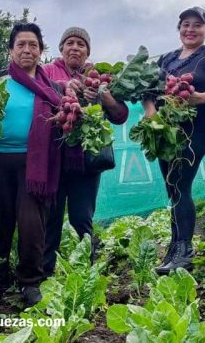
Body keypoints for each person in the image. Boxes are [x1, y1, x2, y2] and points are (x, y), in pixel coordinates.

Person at [0, 22, 70, 310]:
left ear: (41, 51)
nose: (27, 50)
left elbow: (66, 122)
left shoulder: (51, 87)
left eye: (33, 45)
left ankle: (30, 282)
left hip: (35, 167)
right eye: (21, 44)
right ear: (10, 49)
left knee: (32, 225)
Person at [142, 7, 205, 273]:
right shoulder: (167, 59)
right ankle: (174, 249)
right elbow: (147, 90)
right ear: (179, 28)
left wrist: (201, 98)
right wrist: (151, 114)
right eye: (186, 24)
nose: (191, 29)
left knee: (181, 183)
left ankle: (184, 251)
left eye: (197, 25)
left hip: (197, 129)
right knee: (172, 188)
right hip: (165, 131)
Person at [41, 27, 129, 277]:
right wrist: (62, 87)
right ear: (61, 48)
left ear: (88, 51)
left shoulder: (99, 75)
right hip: (54, 159)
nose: (75, 48)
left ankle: (85, 274)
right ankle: (44, 274)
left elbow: (121, 116)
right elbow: (37, 93)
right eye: (70, 42)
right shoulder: (47, 71)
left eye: (81, 44)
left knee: (82, 218)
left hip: (86, 160)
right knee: (51, 218)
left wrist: (103, 97)